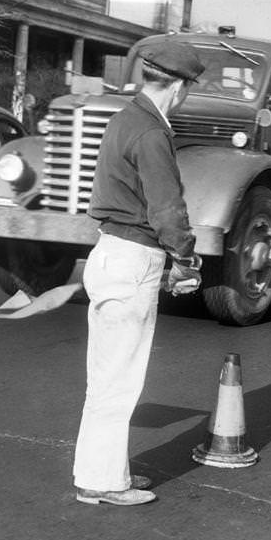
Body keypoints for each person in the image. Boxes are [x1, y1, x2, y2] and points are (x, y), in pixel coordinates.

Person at [73, 40, 205, 506]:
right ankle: (105, 483)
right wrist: (186, 260)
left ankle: (101, 474)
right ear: (181, 86)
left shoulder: (124, 119)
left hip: (109, 251)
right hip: (132, 259)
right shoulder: (152, 133)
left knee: (106, 376)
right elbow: (167, 209)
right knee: (120, 378)